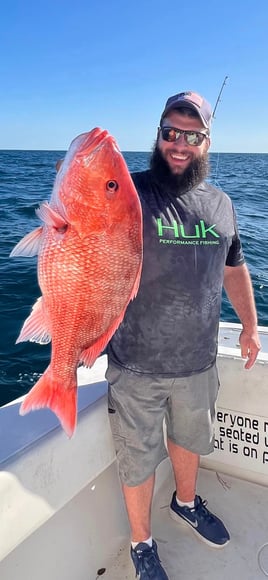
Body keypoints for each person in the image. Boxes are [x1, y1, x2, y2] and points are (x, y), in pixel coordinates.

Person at [105, 90, 261, 579]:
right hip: (134, 364)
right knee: (137, 458)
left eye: (191, 136)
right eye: (171, 132)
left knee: (191, 441)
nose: (179, 144)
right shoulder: (127, 193)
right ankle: (142, 542)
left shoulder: (221, 203)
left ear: (206, 142)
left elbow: (234, 268)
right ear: (158, 134)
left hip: (197, 360)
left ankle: (187, 503)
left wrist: (251, 326)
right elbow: (83, 240)